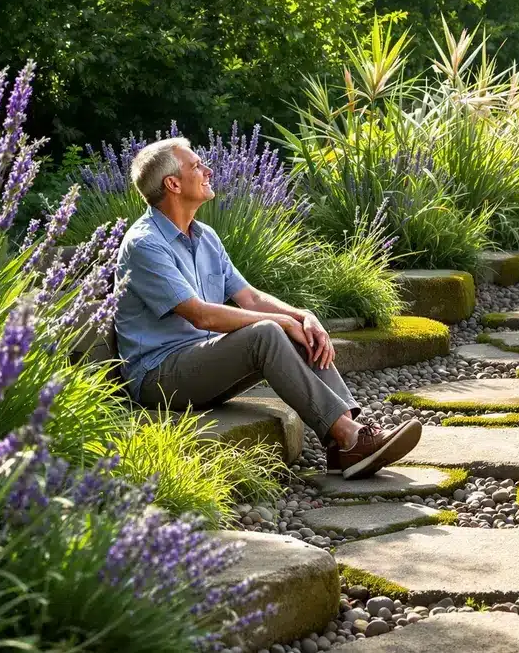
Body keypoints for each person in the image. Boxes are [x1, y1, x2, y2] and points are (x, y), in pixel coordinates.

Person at [114, 137, 421, 479]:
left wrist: (301, 316)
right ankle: (348, 438)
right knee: (267, 332)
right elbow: (201, 314)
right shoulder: (145, 245)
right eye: (197, 166)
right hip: (160, 377)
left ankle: (346, 440)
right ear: (172, 184)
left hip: (201, 359)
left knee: (290, 327)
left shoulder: (206, 237)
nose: (208, 170)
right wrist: (281, 322)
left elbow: (251, 298)